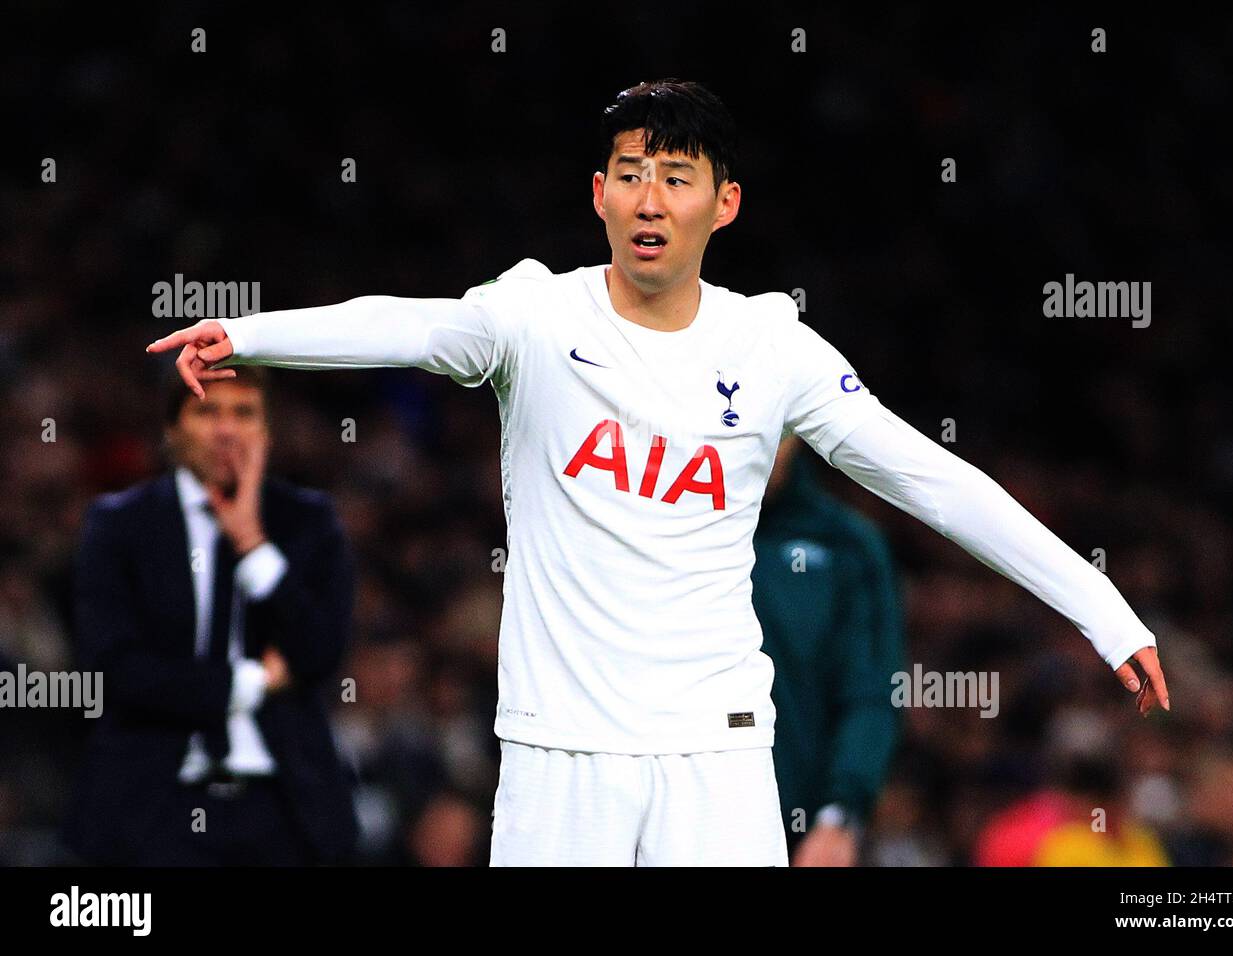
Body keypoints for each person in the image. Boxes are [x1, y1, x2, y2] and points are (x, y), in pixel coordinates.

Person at [146, 78, 1169, 867]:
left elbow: (931, 478)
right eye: (630, 172)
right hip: (559, 753)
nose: (650, 197)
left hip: (716, 755)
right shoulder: (533, 317)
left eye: (676, 177)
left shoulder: (772, 345)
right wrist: (250, 330)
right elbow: (405, 326)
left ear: (721, 204)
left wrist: (1101, 605)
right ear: (597, 193)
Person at [63, 368, 360, 865]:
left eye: (244, 413)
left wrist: (252, 544)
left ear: (266, 431)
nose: (226, 429)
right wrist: (251, 682)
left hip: (286, 807)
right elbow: (110, 667)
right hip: (154, 806)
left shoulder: (307, 521)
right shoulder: (120, 524)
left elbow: (322, 651)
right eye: (207, 411)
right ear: (171, 429)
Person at [753, 435, 905, 865]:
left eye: (778, 432)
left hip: (798, 832)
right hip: (675, 810)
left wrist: (841, 814)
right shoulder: (667, 530)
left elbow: (874, 691)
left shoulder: (847, 545)